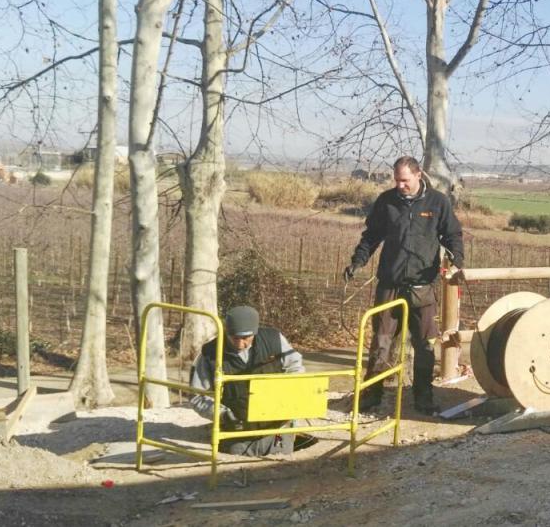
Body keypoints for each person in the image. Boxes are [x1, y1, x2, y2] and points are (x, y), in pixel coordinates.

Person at [342, 156, 464, 414]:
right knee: (382, 340)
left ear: (418, 175)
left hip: (422, 286)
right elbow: (371, 236)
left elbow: (452, 234)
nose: (399, 185)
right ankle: (372, 394)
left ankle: (423, 397)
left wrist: (457, 259)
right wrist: (357, 261)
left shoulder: (437, 203)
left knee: (424, 345)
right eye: (396, 180)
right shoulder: (387, 202)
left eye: (404, 180)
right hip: (391, 283)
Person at [188, 305, 315, 455]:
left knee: (282, 457)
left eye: (246, 338)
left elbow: (296, 368)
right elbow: (197, 396)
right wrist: (222, 415)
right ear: (227, 332)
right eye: (235, 338)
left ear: (255, 332)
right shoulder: (210, 353)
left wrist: (287, 399)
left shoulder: (274, 340)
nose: (241, 344)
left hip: (277, 427)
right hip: (237, 430)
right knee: (236, 457)